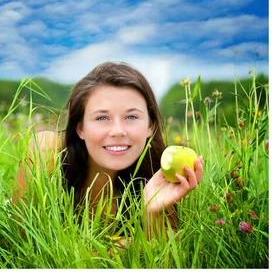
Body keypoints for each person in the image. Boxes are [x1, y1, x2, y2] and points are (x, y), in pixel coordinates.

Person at [15, 61, 204, 240]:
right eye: (102, 118)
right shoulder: (47, 149)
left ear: (150, 126)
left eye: (131, 117)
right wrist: (133, 245)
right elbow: (24, 245)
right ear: (80, 128)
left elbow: (165, 257)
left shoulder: (157, 173)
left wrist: (152, 213)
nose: (118, 131)